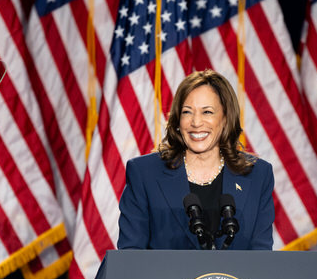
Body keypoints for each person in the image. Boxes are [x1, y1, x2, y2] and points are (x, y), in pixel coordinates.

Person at [116, 69, 275, 251]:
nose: (196, 122)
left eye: (207, 112)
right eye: (187, 112)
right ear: (177, 120)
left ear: (225, 118)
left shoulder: (257, 175)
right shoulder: (144, 174)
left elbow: (262, 259)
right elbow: (130, 256)